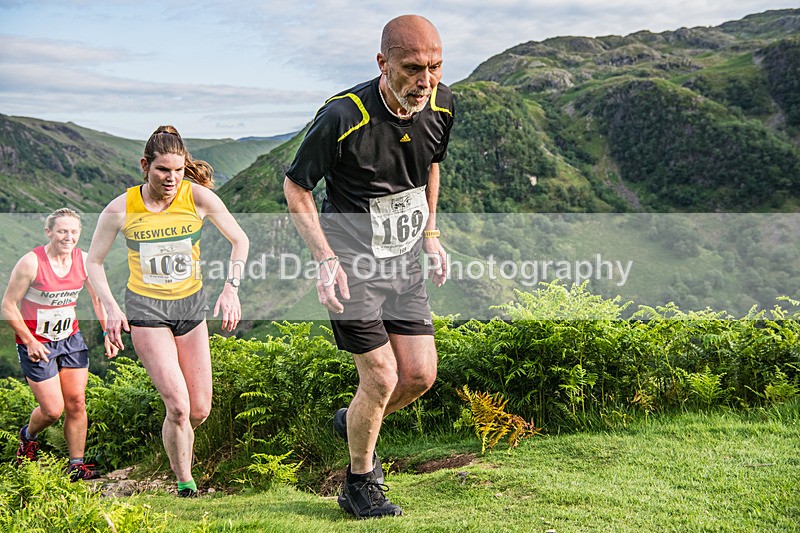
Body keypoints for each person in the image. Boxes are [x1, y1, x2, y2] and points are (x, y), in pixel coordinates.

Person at [283, 14, 454, 519]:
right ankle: (359, 483)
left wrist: (431, 233)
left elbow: (430, 166)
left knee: (419, 376)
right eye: (413, 69)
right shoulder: (342, 115)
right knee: (380, 378)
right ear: (383, 63)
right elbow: (297, 186)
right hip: (352, 263)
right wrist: (323, 258)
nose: (425, 82)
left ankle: (353, 420)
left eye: (436, 67)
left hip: (404, 264)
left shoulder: (443, 103)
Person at [86, 125, 249, 498]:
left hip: (190, 307)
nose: (171, 178)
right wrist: (109, 307)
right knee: (177, 404)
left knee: (199, 409)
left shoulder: (198, 197)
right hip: (146, 309)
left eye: (178, 170)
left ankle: (171, 453)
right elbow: (93, 263)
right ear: (146, 166)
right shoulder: (121, 208)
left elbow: (240, 239)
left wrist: (231, 289)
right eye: (162, 170)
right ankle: (185, 483)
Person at [2, 208, 118, 481]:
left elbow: (97, 299)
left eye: (74, 232)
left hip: (70, 338)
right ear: (49, 232)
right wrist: (29, 341)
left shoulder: (85, 261)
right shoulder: (31, 263)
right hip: (37, 342)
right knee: (53, 410)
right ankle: (28, 436)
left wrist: (106, 334)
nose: (69, 237)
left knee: (76, 402)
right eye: (62, 231)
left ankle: (76, 466)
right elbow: (7, 305)